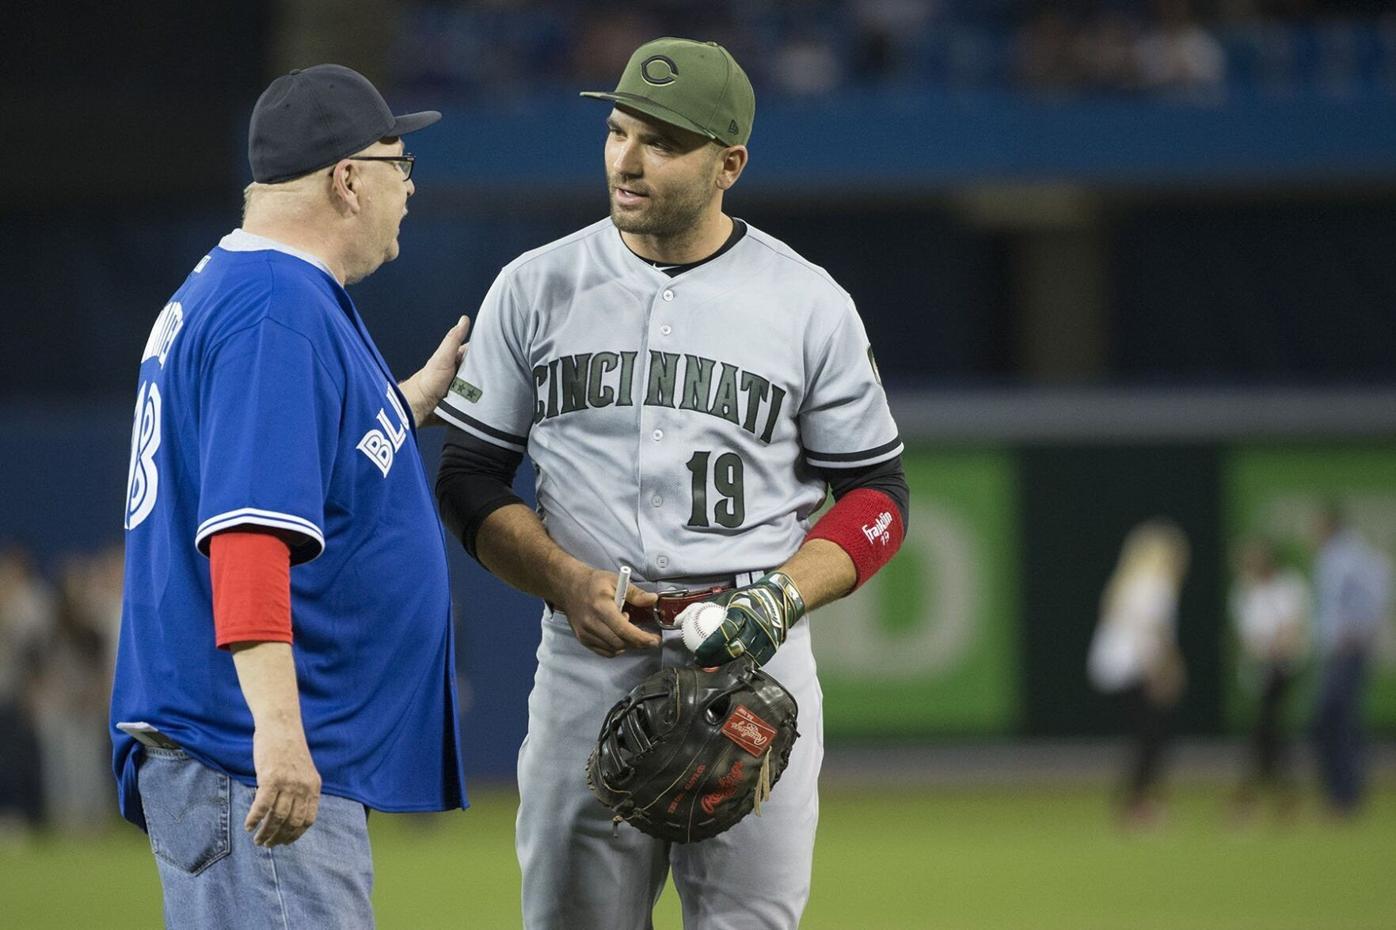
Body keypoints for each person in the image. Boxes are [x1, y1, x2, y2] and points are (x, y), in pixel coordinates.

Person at [434, 37, 908, 930]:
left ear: (729, 164)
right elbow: (466, 478)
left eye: (662, 141)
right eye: (618, 131)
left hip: (756, 666)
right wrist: (563, 580)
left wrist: (779, 599)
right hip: (588, 658)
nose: (627, 159)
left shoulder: (807, 303)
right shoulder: (535, 286)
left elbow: (879, 499)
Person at [109, 64, 470, 928]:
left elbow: (306, 466)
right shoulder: (277, 307)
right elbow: (244, 536)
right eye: (399, 164)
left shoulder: (239, 285)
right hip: (248, 761)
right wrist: (279, 733)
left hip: (230, 757)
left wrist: (409, 402)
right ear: (348, 179)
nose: (408, 189)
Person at [1087, 518, 1189, 827]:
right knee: (1151, 737)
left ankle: (1134, 802)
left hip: (1118, 667)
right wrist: (1161, 671)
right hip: (1138, 666)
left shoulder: (1129, 581)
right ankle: (1139, 805)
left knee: (1144, 737)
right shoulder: (1154, 584)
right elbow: (1151, 632)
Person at [1309, 504, 1392, 817]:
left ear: (1329, 525)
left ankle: (1346, 795)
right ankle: (1338, 793)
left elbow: (1378, 588)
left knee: (1340, 721)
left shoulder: (1350, 554)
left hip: (1349, 651)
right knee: (1328, 721)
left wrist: (1358, 631)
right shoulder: (1331, 556)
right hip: (1335, 651)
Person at [1228, 537, 1308, 820]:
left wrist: (1276, 648)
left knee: (1267, 731)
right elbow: (1246, 635)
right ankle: (1277, 796)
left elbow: (1293, 628)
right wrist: (1261, 649)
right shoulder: (1243, 591)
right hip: (1258, 671)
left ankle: (1251, 796)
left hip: (1282, 669)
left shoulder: (1288, 584)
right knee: (1267, 733)